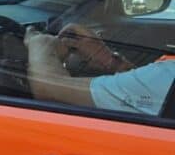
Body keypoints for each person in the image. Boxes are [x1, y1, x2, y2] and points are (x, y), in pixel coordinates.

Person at [25, 23, 175, 115]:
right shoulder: (165, 79)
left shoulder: (167, 75)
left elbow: (49, 89)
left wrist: (41, 45)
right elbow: (148, 92)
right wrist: (109, 61)